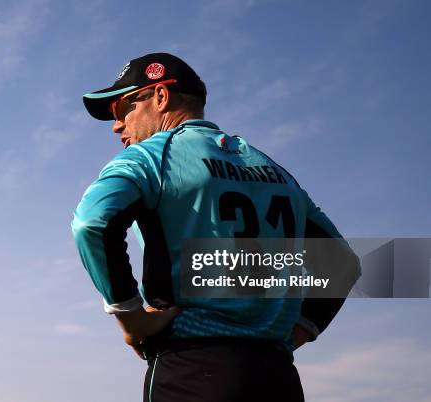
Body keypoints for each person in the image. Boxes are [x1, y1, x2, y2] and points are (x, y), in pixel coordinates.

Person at [71, 52, 360, 402]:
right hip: (278, 377)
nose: (117, 125)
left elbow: (92, 222)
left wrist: (130, 317)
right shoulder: (274, 170)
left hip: (191, 370)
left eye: (122, 109)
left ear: (160, 97)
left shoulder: (151, 156)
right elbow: (342, 263)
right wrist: (298, 331)